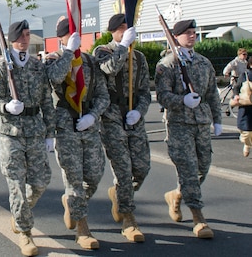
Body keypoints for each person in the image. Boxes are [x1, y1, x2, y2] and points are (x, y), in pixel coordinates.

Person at [0, 20, 56, 257]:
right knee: (16, 184)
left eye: (28, 35)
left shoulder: (37, 66)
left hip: (35, 129)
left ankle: (21, 212)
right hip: (11, 132)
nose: (26, 39)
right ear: (12, 39)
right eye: (22, 35)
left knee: (40, 181)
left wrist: (50, 133)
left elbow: (47, 101)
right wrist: (7, 106)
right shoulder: (1, 67)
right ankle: (25, 232)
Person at [155, 19, 222, 239]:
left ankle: (176, 195)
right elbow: (163, 96)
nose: (192, 36)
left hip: (201, 122)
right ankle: (198, 217)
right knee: (189, 171)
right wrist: (182, 101)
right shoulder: (167, 64)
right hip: (179, 124)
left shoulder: (204, 63)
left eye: (194, 33)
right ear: (176, 37)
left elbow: (212, 92)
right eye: (187, 33)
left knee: (203, 166)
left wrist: (217, 119)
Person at [46, 17, 109, 250]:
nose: (75, 38)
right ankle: (82, 229)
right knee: (74, 179)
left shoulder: (90, 63)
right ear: (61, 38)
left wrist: (93, 115)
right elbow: (53, 79)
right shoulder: (53, 60)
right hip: (65, 127)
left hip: (88, 125)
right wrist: (68, 54)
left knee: (93, 175)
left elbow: (103, 95)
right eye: (69, 34)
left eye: (76, 33)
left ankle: (72, 203)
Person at [94, 13, 151, 242]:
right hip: (111, 117)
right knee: (124, 171)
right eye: (123, 28)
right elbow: (109, 69)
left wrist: (140, 111)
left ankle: (119, 194)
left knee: (142, 168)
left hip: (133, 115)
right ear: (114, 31)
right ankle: (128, 219)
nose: (127, 31)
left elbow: (145, 90)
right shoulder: (103, 51)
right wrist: (123, 46)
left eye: (129, 28)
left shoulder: (138, 57)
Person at [230, 56, 252, 157]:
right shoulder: (245, 75)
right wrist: (236, 95)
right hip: (246, 106)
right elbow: (236, 87)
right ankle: (247, 144)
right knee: (246, 131)